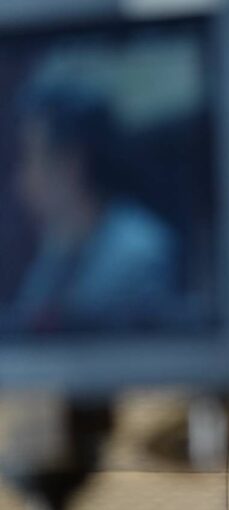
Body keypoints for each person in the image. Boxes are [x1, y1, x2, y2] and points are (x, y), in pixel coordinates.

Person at [0, 83, 179, 333]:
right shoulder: (59, 244)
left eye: (30, 157)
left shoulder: (137, 254)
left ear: (71, 164)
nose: (22, 178)